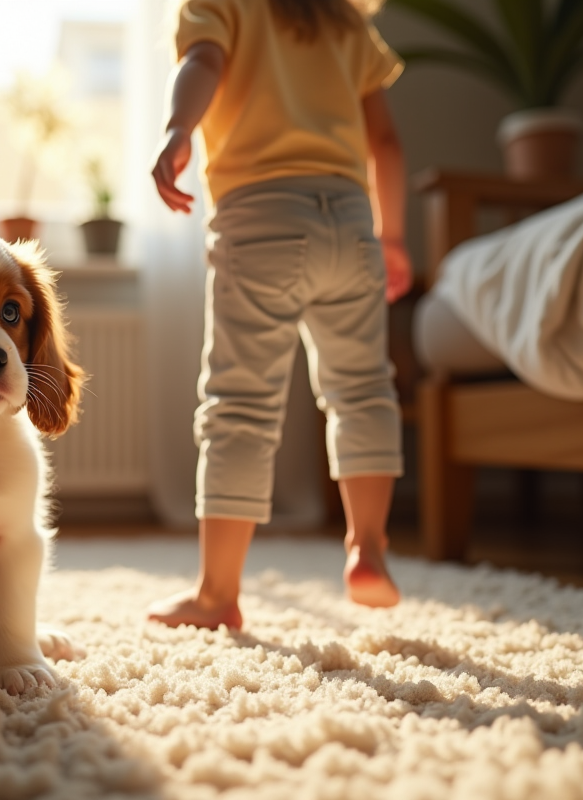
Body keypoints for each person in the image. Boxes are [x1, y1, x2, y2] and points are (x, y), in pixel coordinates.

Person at [147, 0, 413, 629]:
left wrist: (179, 129)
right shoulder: (346, 21)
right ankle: (368, 547)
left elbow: (202, 61)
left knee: (240, 403)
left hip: (261, 216)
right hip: (350, 222)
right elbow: (384, 140)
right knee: (363, 391)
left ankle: (217, 594)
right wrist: (394, 235)